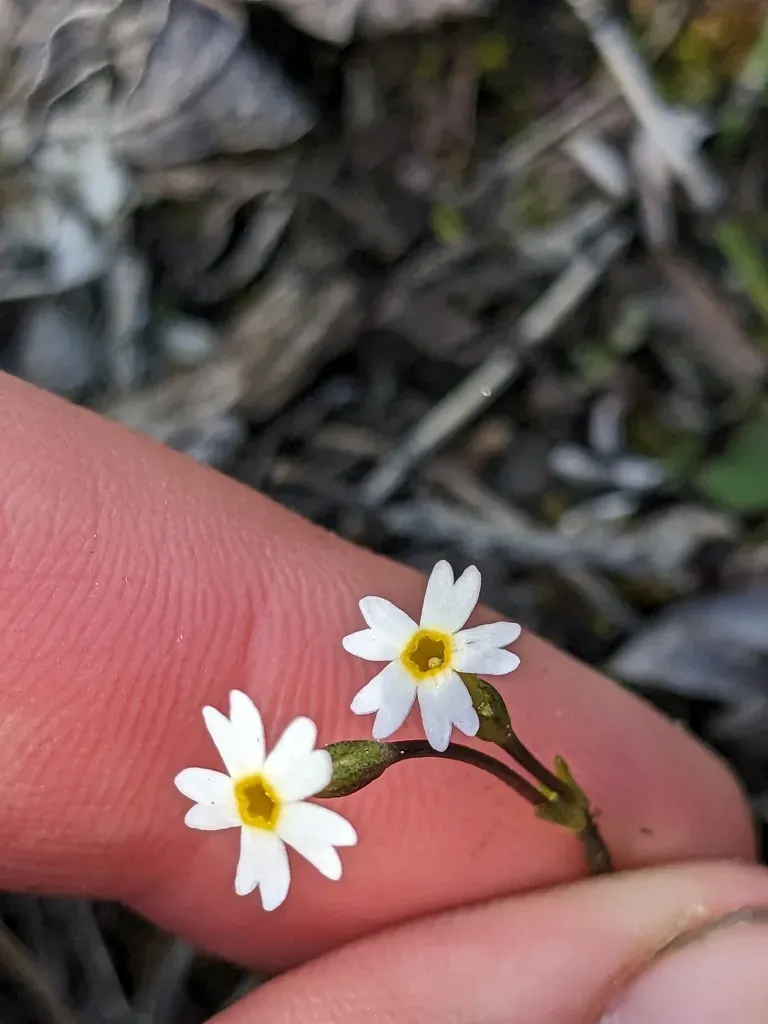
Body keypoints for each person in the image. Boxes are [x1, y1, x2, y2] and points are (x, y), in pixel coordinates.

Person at [0, 371, 765, 1023]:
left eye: (427, 650)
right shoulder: (311, 767)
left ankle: (599, 858)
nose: (425, 652)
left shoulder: (423, 685)